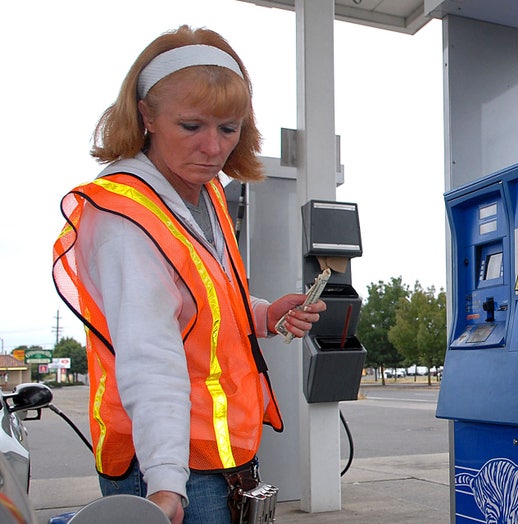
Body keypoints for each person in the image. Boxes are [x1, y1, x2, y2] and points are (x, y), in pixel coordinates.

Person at [52, 25, 325, 523]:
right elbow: (149, 355)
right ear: (146, 116)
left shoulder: (202, 191)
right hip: (167, 463)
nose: (213, 148)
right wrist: (164, 484)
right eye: (192, 126)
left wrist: (263, 314)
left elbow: (200, 306)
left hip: (215, 453)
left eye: (229, 128)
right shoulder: (124, 217)